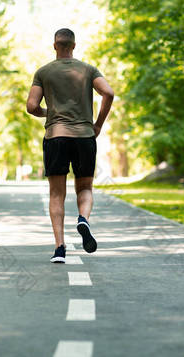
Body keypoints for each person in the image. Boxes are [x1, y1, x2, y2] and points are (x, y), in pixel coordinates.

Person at [26, 28, 114, 263]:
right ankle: (83, 218)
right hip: (85, 136)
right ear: (74, 46)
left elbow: (31, 106)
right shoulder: (88, 70)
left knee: (57, 193)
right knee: (84, 188)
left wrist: (50, 112)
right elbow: (109, 92)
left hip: (56, 137)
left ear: (55, 46)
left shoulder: (43, 72)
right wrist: (98, 125)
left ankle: (59, 249)